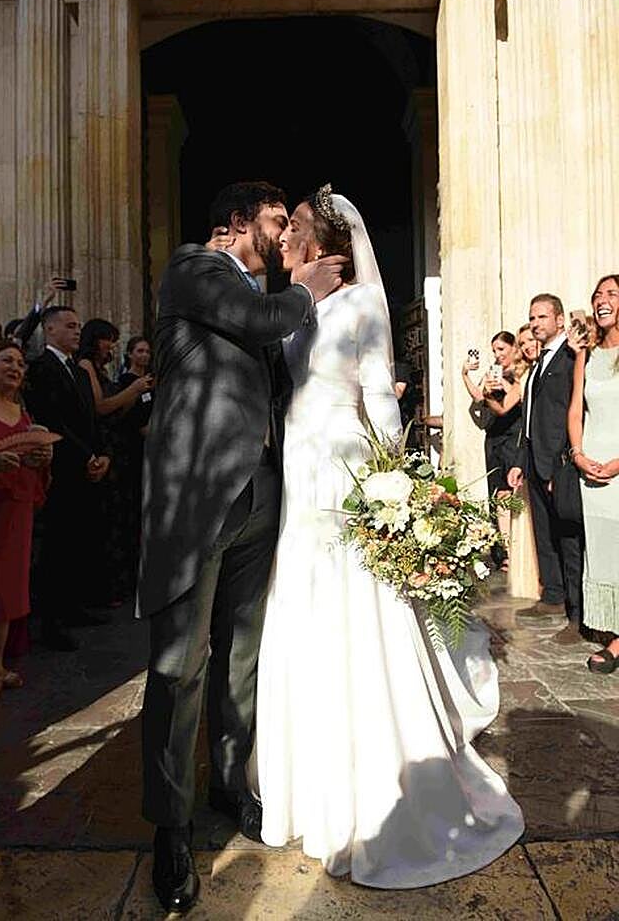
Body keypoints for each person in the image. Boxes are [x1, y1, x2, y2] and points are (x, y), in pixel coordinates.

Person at [254, 186, 523, 888]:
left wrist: (393, 486)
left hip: (341, 477)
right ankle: (307, 782)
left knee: (354, 618)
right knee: (304, 610)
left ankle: (373, 784)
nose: (284, 240)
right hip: (298, 481)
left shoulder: (363, 306)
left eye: (296, 230)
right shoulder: (297, 305)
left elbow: (376, 396)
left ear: (327, 245)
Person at [137, 180, 346, 915]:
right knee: (179, 669)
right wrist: (311, 288)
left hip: (261, 494)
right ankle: (170, 826)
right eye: (275, 220)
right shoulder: (194, 268)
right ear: (235, 223)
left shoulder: (254, 299)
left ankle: (229, 785)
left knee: (242, 655)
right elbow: (257, 321)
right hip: (197, 501)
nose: (285, 233)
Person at [24, 306, 110, 651]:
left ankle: (73, 607)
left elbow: (90, 418)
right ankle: (51, 623)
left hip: (86, 469)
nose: (78, 331)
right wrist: (85, 455)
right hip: (61, 470)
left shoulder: (76, 369)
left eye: (78, 326)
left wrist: (103, 454)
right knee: (56, 549)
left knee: (77, 542)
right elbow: (53, 421)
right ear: (50, 330)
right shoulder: (42, 369)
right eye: (70, 326)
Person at [507, 295, 583, 644]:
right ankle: (552, 596)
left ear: (559, 319)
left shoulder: (570, 357)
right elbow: (531, 418)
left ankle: (577, 613)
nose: (536, 323)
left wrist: (560, 465)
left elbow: (571, 413)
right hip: (534, 463)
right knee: (544, 534)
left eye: (542, 317)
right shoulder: (538, 362)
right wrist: (520, 463)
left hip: (559, 463)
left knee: (568, 539)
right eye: (531, 317)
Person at [78, 319, 153, 603]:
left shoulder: (101, 370)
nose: (111, 345)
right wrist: (134, 391)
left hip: (116, 451)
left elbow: (118, 413)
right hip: (108, 452)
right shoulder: (86, 365)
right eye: (107, 339)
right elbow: (101, 408)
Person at [0, 339, 52, 702]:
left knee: (7, 590)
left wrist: (41, 459)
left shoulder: (24, 414)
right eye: (6, 361)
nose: (15, 367)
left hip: (15, 512)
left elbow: (34, 465)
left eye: (19, 362)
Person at [567, 274, 619, 673]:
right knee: (603, 553)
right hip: (592, 467)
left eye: (612, 294)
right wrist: (578, 453)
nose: (602, 300)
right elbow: (575, 409)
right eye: (598, 294)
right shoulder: (588, 351)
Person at [461, 332, 521, 571]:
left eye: (501, 349)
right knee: (497, 492)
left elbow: (513, 402)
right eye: (494, 350)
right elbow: (478, 397)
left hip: (513, 434)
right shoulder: (492, 371)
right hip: (494, 436)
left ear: (513, 348)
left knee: (512, 492)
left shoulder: (519, 371)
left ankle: (517, 549)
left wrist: (504, 383)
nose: (497, 355)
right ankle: (503, 550)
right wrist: (465, 374)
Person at [506, 325, 541, 600]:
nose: (528, 346)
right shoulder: (525, 375)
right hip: (525, 450)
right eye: (523, 342)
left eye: (531, 340)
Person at [116, 336, 154, 588]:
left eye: (147, 351)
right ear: (129, 354)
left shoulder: (152, 382)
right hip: (135, 451)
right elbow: (128, 418)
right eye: (139, 351)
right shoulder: (126, 383)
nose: (144, 355)